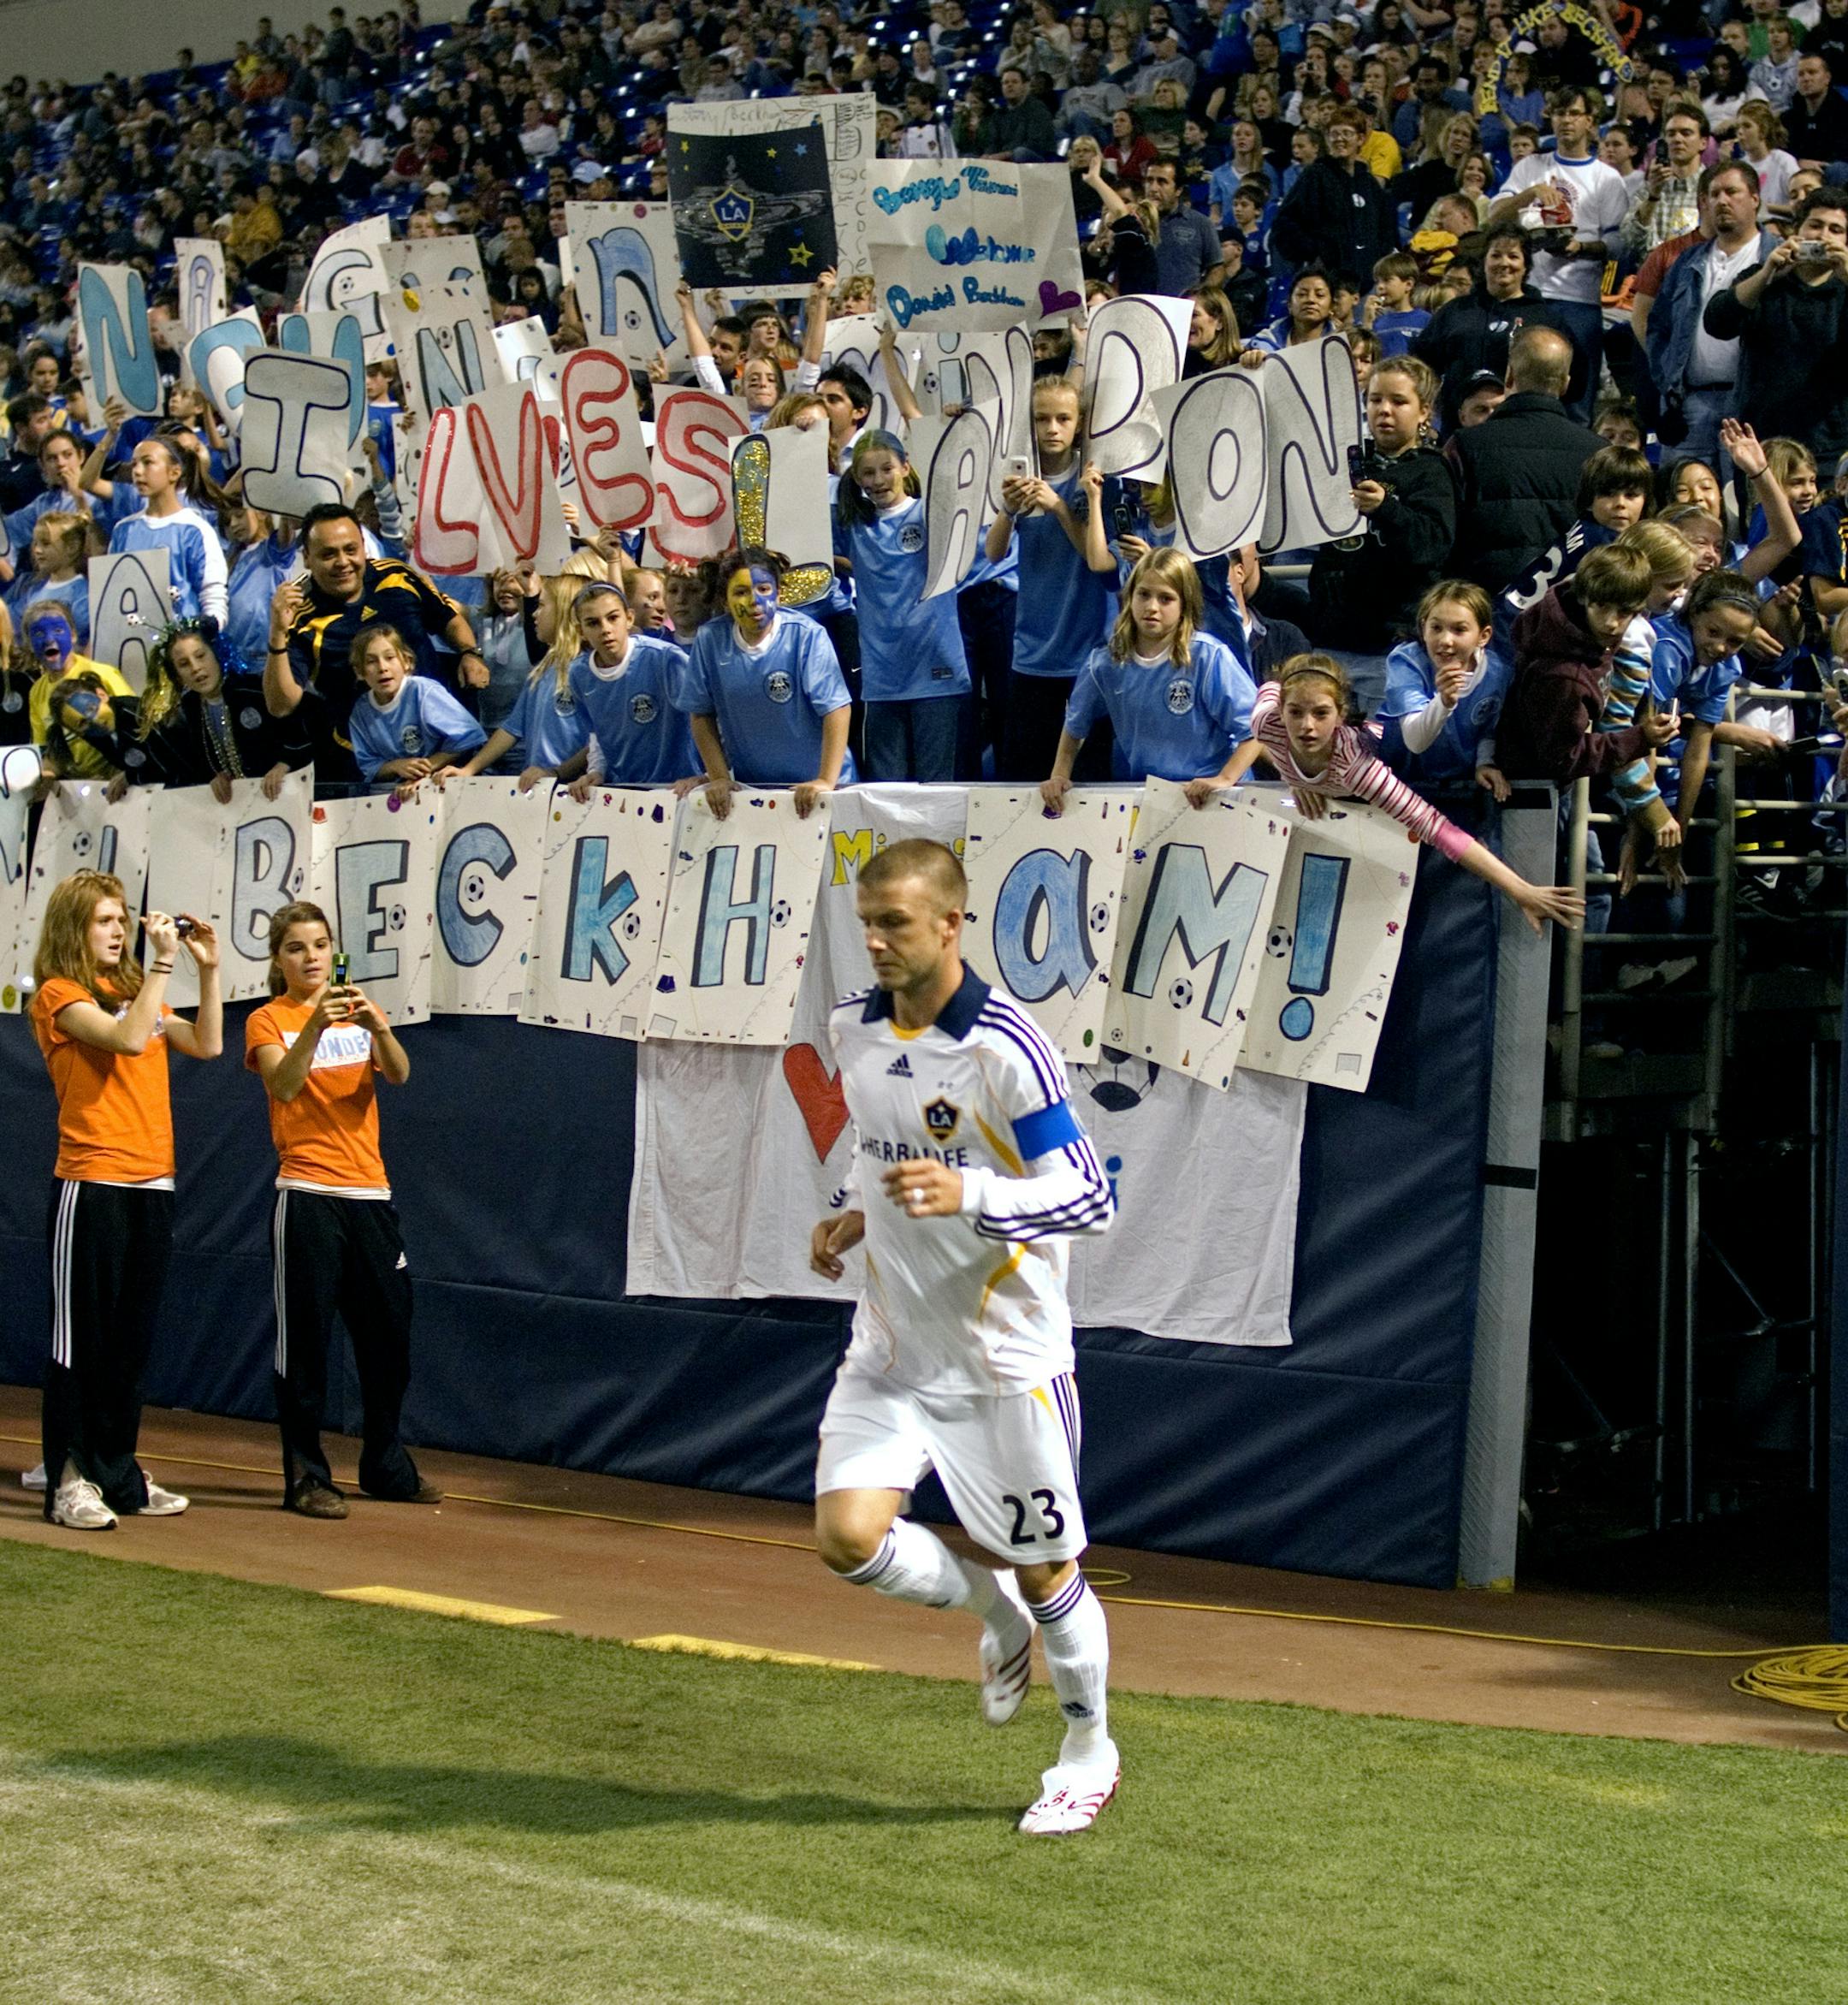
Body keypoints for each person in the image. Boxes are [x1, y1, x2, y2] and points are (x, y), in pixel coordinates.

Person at [808, 838, 1119, 1836]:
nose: (875, 942)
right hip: (893, 1349)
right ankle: (993, 1614)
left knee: (1051, 1570)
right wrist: (855, 1211)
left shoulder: (1006, 1048)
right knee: (847, 1539)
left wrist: (970, 1192)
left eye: (894, 922)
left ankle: (1087, 1747)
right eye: (867, 923)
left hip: (1005, 1367)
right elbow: (882, 1141)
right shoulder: (852, 1029)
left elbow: (1089, 1197)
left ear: (951, 922)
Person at [31, 872, 221, 1530]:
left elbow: (208, 1042)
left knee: (129, 1344)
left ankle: (117, 1471)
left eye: (120, 920)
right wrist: (164, 965)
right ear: (74, 929)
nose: (118, 931)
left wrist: (209, 971)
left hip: (153, 1182)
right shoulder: (59, 995)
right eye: (104, 921)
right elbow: (128, 1040)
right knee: (79, 1342)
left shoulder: (136, 991)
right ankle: (67, 1479)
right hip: (93, 1180)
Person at [246, 900, 438, 1519]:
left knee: (390, 1336)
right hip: (306, 1195)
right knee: (304, 1344)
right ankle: (306, 1475)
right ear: (279, 959)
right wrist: (314, 1028)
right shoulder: (267, 1021)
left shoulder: (357, 1015)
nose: (312, 957)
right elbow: (284, 1084)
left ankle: (384, 1462)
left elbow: (401, 1074)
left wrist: (379, 1028)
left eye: (320, 944)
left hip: (369, 1196)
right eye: (297, 947)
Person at [1207, 656, 1586, 934]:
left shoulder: (1357, 770)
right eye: (1297, 713)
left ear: (1340, 715)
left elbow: (1441, 832)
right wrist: (1297, 781)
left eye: (1321, 714)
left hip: (1404, 758)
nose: (1307, 726)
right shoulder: (1266, 722)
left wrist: (1520, 890)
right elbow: (1272, 687)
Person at [264, 504, 488, 783]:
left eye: (350, 549)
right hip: (370, 768)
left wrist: (469, 653)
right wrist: (276, 635)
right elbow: (280, 705)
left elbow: (448, 620)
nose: (343, 561)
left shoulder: (397, 576)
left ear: (363, 547)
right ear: (307, 558)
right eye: (328, 554)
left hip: (445, 756)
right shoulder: (300, 618)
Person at [1040, 547, 1256, 803]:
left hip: (1213, 793)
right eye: (1143, 595)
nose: (1152, 607)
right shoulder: (1104, 663)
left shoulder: (1209, 657)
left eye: (1166, 599)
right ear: (1130, 597)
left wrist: (1224, 779)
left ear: (1185, 603)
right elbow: (1075, 725)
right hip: (1148, 792)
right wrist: (1059, 775)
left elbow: (1257, 731)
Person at [984, 377, 1120, 781]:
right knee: (1025, 776)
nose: (1052, 428)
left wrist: (1061, 507)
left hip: (1089, 652)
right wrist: (1008, 511)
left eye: (1063, 418)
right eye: (1042, 419)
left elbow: (1100, 560)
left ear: (1080, 423)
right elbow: (993, 553)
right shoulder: (1020, 476)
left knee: (1090, 776)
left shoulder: (1094, 482)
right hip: (1032, 653)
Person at [1482, 86, 1629, 421]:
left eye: (1574, 114)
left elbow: (1619, 245)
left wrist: (1581, 247)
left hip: (1580, 297)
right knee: (1516, 389)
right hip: (1529, 293)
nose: (1565, 121)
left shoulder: (1606, 178)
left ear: (1590, 122)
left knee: (1576, 398)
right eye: (1560, 114)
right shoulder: (1531, 166)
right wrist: (1531, 193)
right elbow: (1495, 216)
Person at [678, 547, 854, 817]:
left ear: (779, 593)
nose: (754, 601)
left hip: (822, 787)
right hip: (756, 791)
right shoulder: (710, 640)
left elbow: (837, 709)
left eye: (763, 589)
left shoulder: (807, 636)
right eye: (741, 592)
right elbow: (700, 714)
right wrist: (719, 777)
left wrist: (825, 781)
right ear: (725, 601)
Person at [1303, 356, 1457, 650]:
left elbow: (1433, 545)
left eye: (1399, 402)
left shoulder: (1432, 470)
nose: (1384, 410)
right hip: (1333, 634)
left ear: (1424, 411)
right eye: (1375, 400)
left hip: (1393, 641)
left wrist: (1387, 509)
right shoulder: (1345, 462)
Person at [1447, 326, 1604, 595]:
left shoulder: (1464, 445)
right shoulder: (1600, 452)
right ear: (1565, 383)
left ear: (1509, 376)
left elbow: (1446, 535)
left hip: (1483, 609)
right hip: (1568, 607)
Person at [1703, 187, 1848, 468]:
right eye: (1815, 225)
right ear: (1797, 231)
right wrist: (1768, 273)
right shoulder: (1763, 280)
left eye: (1836, 229)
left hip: (1831, 447)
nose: (1823, 236)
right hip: (1762, 443)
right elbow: (1717, 323)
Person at [1645, 163, 1777, 470]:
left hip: (1750, 405)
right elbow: (1658, 327)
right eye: (1713, 194)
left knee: (1743, 504)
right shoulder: (1687, 261)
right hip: (1688, 403)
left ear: (1755, 198)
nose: (1721, 201)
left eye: (1732, 192)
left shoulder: (1776, 259)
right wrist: (1668, 380)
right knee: (1683, 503)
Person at [131, 616, 307, 798]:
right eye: (184, 664)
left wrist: (283, 764)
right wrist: (215, 776)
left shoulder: (254, 690)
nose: (196, 667)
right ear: (177, 676)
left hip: (288, 793)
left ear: (218, 653)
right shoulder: (191, 706)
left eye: (201, 656)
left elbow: (304, 731)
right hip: (244, 803)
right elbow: (198, 761)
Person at [555, 578, 699, 792]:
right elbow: (597, 735)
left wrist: (709, 776)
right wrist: (596, 771)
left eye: (613, 618)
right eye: (593, 623)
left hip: (678, 788)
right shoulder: (579, 673)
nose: (605, 629)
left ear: (629, 618)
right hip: (623, 790)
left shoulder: (666, 659)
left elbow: (709, 717)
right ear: (581, 630)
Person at [1377, 579, 1515, 796]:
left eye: (1459, 630)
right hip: (1402, 783)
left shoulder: (1498, 673)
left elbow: (1488, 729)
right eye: (1436, 628)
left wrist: (1484, 763)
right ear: (1423, 629)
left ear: (1484, 636)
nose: (1445, 640)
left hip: (1461, 784)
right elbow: (1416, 741)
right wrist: (1444, 702)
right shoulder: (1407, 662)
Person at [347, 620, 487, 793]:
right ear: (360, 672)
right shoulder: (361, 711)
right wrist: (396, 766)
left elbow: (469, 736)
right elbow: (369, 766)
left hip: (441, 787)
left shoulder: (423, 692)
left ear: (406, 661)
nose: (382, 668)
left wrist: (424, 770)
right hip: (393, 794)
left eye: (390, 658)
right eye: (371, 661)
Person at [104, 435, 228, 626]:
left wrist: (205, 635)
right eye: (134, 464)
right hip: (132, 645)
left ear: (174, 472)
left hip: (182, 647)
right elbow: (113, 595)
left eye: (148, 463)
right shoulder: (123, 530)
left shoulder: (195, 530)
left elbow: (213, 596)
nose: (137, 471)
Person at [1272, 104, 1397, 282]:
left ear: (1361, 139)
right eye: (1334, 134)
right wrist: (1316, 253)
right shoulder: (1315, 175)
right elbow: (1284, 222)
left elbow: (1386, 228)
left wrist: (1378, 257)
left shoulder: (1369, 183)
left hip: (1366, 282)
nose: (1340, 139)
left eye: (1347, 133)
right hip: (1328, 279)